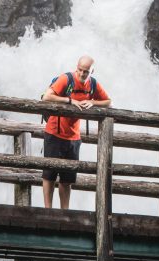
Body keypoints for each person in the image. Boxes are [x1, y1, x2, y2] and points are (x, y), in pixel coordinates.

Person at [41, 55, 112, 209]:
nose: (81, 74)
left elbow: (108, 102)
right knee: (49, 175)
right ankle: (48, 210)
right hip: (54, 133)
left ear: (92, 71)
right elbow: (47, 97)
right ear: (76, 67)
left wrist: (92, 102)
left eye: (85, 71)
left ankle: (64, 212)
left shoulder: (92, 84)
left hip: (73, 137)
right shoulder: (66, 79)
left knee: (67, 179)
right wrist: (70, 101)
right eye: (79, 70)